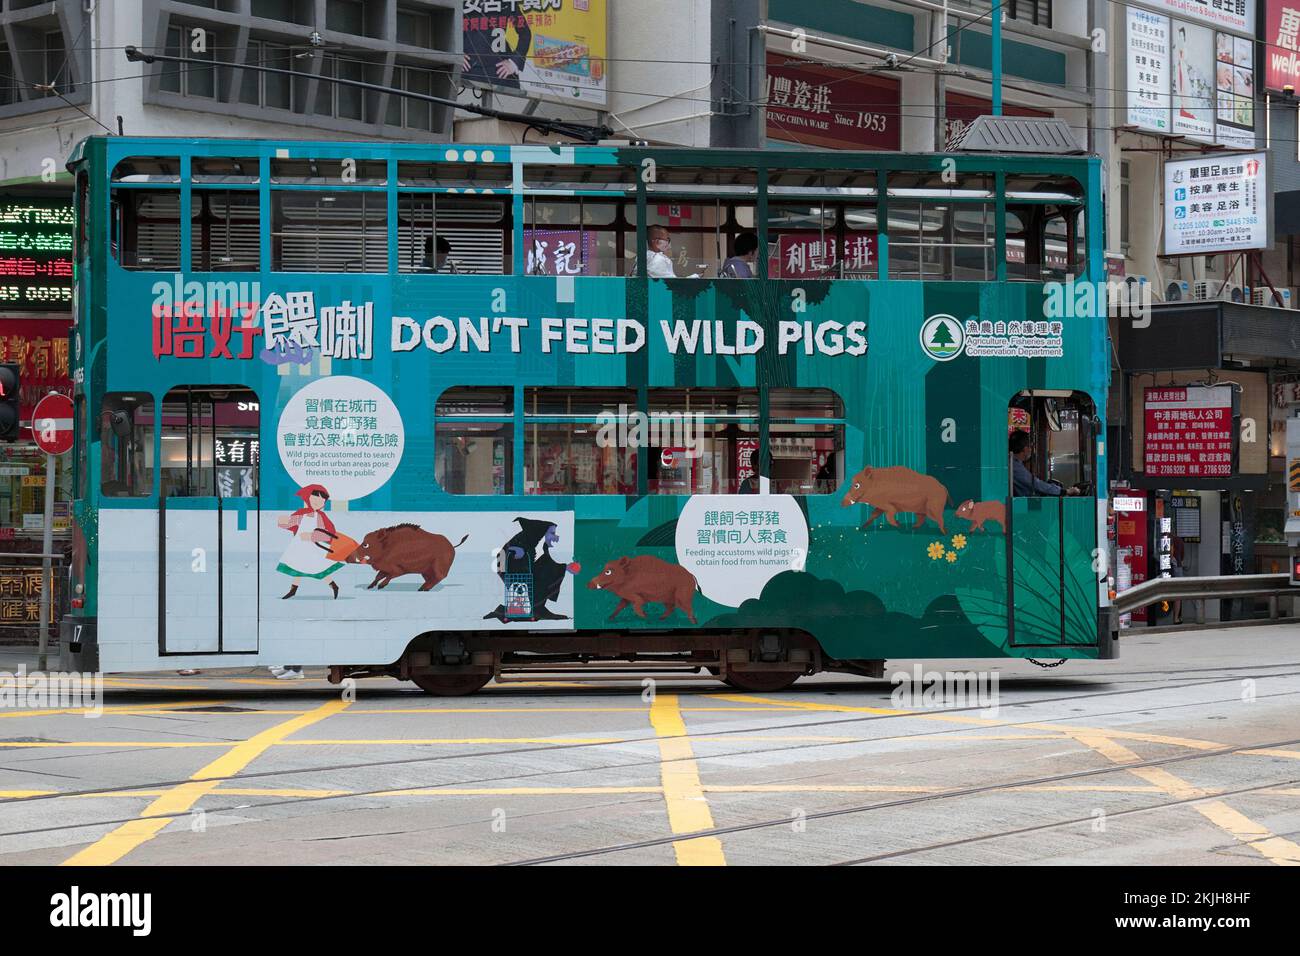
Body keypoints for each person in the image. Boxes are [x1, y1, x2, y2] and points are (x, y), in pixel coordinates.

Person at [276, 484, 344, 599]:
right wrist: (282, 521)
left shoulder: (321, 517)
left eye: (322, 499)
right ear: (309, 498)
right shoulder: (302, 514)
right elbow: (289, 523)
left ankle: (333, 585)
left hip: (312, 547)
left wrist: (312, 536)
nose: (318, 501)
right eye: (315, 498)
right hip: (299, 546)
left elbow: (328, 534)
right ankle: (293, 590)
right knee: (297, 567)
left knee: (317, 567)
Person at [1010, 431, 1080, 497]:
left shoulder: (1014, 463)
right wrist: (1064, 491)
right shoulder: (1014, 466)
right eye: (1031, 446)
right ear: (1025, 449)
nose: (1032, 450)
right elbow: (1035, 484)